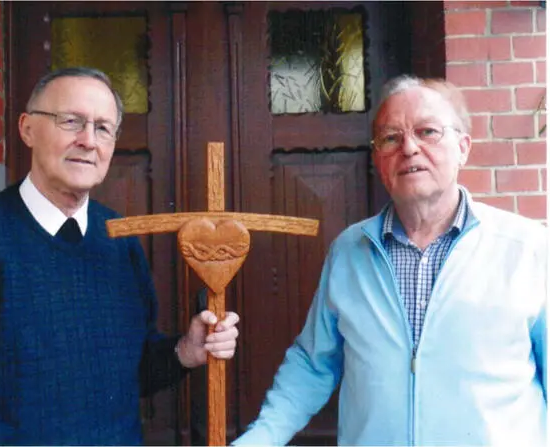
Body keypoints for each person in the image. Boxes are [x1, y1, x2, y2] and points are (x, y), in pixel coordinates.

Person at [0, 67, 240, 446]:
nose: (88, 140)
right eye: (71, 121)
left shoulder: (119, 239)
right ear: (27, 129)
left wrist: (185, 351)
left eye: (103, 128)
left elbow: (129, 374)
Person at [233, 75, 546, 446]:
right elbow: (313, 363)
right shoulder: (350, 251)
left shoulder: (528, 249)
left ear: (463, 147)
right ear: (377, 159)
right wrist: (259, 440)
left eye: (427, 132)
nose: (409, 148)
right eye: (391, 138)